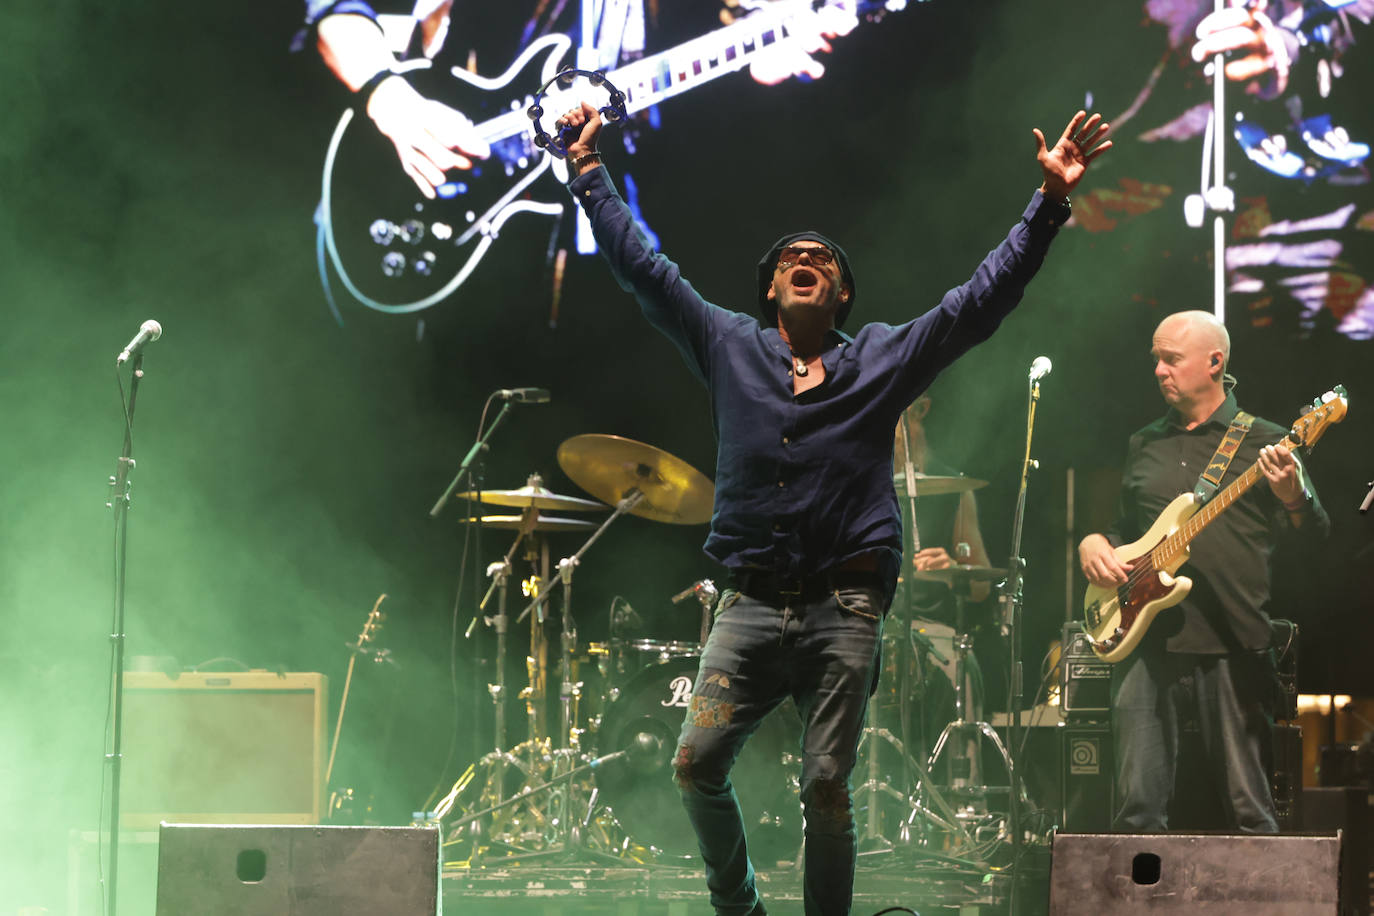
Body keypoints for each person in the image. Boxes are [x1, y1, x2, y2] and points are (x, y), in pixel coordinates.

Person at [556, 100, 1109, 914]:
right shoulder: (728, 344)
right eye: (790, 258)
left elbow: (976, 305)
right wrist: (591, 176)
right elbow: (647, 271)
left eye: (820, 258)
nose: (803, 258)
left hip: (843, 606)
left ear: (840, 291)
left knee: (826, 787)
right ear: (773, 288)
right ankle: (738, 905)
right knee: (693, 764)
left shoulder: (882, 359)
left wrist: (1048, 205)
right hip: (746, 606)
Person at [1078, 309, 1330, 833]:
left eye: (1171, 359)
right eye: (1156, 360)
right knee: (1136, 813)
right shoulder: (1143, 442)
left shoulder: (1269, 441)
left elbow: (1318, 543)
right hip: (1145, 640)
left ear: (1214, 362)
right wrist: (1093, 542)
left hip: (1232, 645)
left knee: (1251, 813)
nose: (1159, 370)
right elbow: (1126, 526)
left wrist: (1295, 497)